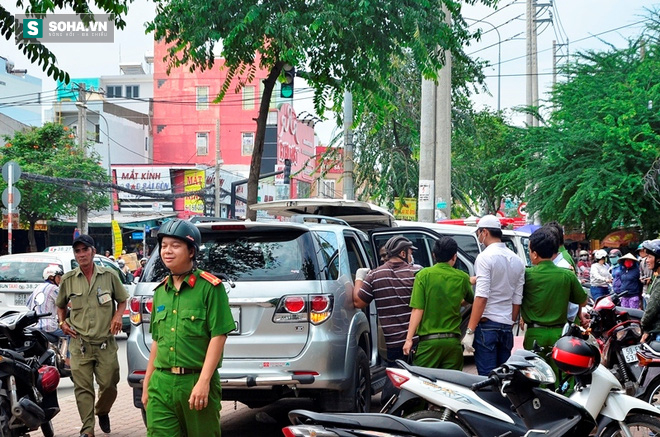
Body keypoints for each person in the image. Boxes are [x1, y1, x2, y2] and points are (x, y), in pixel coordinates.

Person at [141, 220, 235, 437]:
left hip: (195, 382)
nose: (167, 251)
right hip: (161, 384)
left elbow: (219, 336)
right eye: (164, 246)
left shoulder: (210, 288)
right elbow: (157, 341)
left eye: (175, 245)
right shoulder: (160, 292)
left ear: (191, 251)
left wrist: (203, 382)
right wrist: (147, 383)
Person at [56, 234, 129, 437]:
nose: (81, 254)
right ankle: (87, 429)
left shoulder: (109, 275)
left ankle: (102, 411)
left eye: (85, 250)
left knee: (109, 384)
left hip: (105, 342)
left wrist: (117, 316)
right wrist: (62, 323)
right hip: (80, 344)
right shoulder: (69, 279)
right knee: (82, 387)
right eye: (77, 251)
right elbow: (60, 305)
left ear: (93, 252)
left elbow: (122, 300)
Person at [354, 235, 419, 400]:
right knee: (417, 381)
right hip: (417, 340)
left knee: (395, 377)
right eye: (410, 252)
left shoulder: (375, 275)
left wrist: (359, 278)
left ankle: (391, 413)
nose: (411, 256)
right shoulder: (416, 273)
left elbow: (358, 301)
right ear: (403, 253)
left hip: (393, 342)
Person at [462, 215, 525, 376]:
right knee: (503, 379)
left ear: (485, 232)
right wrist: (509, 323)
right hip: (506, 326)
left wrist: (470, 331)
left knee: (487, 379)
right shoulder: (517, 260)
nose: (479, 237)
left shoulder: (484, 258)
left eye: (479, 233)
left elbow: (481, 297)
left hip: (487, 326)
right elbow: (517, 300)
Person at [403, 237, 474, 369]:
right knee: (452, 386)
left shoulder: (423, 275)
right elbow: (472, 301)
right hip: (452, 344)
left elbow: (418, 309)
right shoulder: (462, 277)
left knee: (423, 384)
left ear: (434, 255)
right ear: (454, 256)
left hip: (428, 344)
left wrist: (409, 339)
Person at [521, 228, 588, 357]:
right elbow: (583, 301)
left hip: (535, 334)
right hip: (560, 335)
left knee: (535, 374)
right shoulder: (567, 275)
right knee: (560, 374)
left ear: (534, 254)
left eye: (529, 251)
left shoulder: (526, 274)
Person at [27, 265, 65, 342]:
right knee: (71, 334)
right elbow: (65, 302)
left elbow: (28, 304)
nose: (60, 280)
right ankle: (69, 354)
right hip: (48, 325)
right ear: (51, 277)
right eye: (58, 277)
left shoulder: (38, 287)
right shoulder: (53, 288)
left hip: (35, 324)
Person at [639, 240, 660, 342]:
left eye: (650, 257)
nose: (646, 260)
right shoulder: (656, 277)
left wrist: (644, 326)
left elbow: (652, 309)